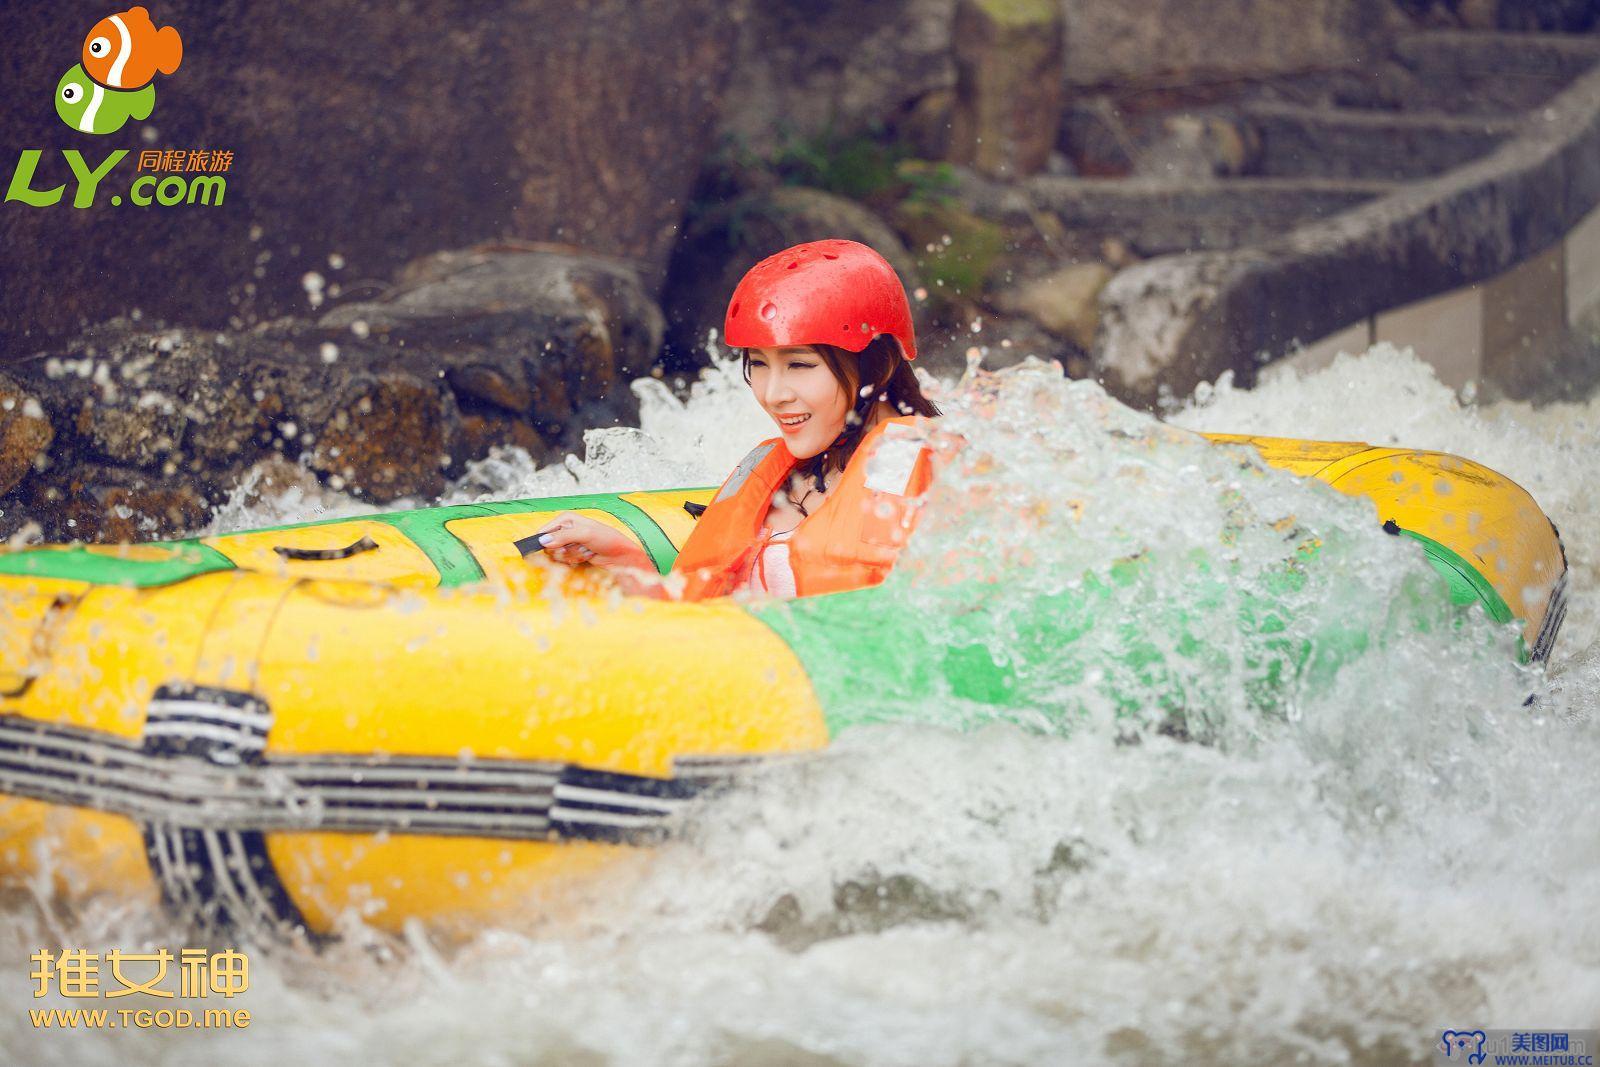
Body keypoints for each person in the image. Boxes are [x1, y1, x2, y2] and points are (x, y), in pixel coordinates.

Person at [534, 238, 944, 600]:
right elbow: (705, 614)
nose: (773, 394)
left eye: (800, 365)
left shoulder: (943, 483)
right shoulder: (776, 477)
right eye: (759, 364)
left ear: (881, 364)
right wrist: (630, 564)